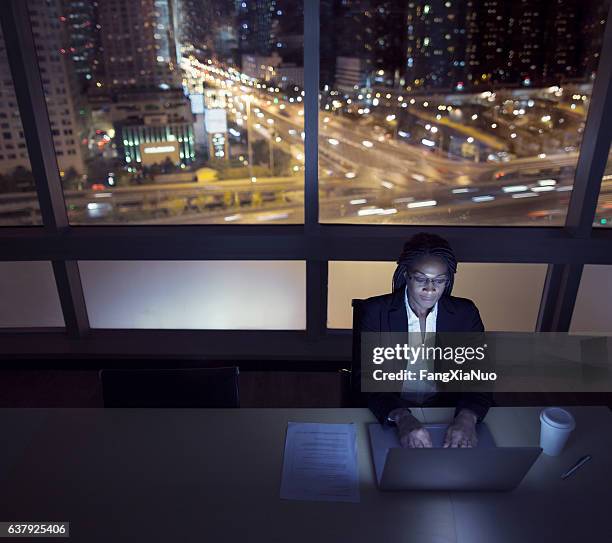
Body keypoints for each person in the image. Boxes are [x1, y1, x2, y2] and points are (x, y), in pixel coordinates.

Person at [359, 232, 492, 448]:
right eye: (421, 279)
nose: (430, 289)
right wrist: (401, 416)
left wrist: (467, 417)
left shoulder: (465, 314)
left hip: (447, 412)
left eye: (439, 281)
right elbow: (366, 380)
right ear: (406, 274)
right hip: (392, 411)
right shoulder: (376, 312)